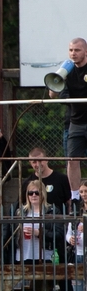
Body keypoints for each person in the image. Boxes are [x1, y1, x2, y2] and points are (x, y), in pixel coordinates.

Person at [16, 179, 67, 291]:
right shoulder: (20, 212)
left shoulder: (51, 210)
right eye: (30, 193)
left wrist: (39, 233)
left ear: (43, 193)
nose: (33, 196)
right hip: (26, 256)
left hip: (44, 256)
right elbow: (10, 233)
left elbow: (59, 234)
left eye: (36, 192)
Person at [52, 38, 87, 193]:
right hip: (76, 122)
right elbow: (53, 94)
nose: (73, 53)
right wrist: (57, 80)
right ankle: (75, 197)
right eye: (71, 50)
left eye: (77, 50)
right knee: (72, 160)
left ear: (85, 52)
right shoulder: (68, 70)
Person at [66, 179, 87, 291]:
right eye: (81, 191)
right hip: (79, 257)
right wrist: (70, 239)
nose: (84, 194)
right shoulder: (75, 212)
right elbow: (68, 233)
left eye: (86, 191)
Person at [20, 146, 70, 213]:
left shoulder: (62, 179)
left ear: (46, 159)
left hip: (58, 221)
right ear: (30, 163)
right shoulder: (27, 183)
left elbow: (70, 202)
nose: (38, 164)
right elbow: (22, 204)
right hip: (34, 221)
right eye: (34, 162)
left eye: (40, 160)